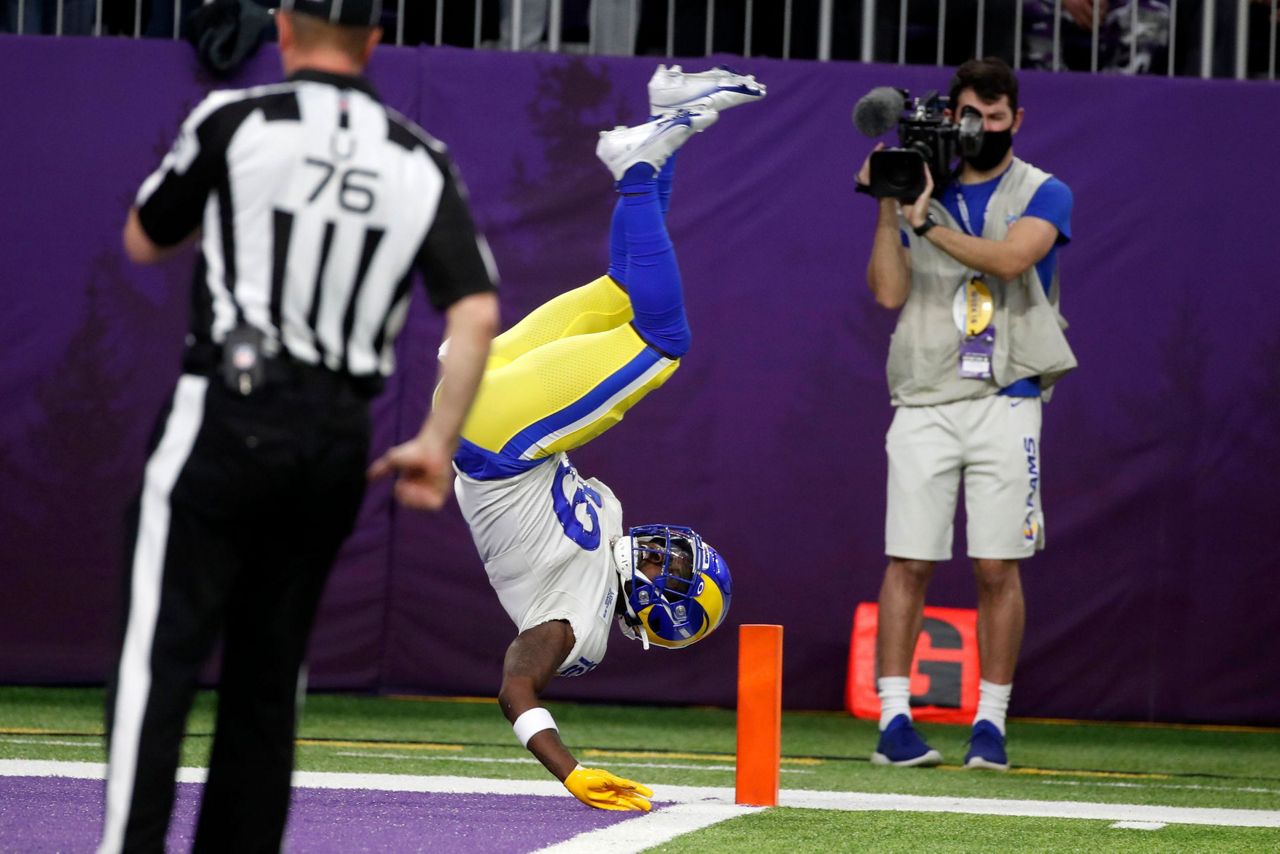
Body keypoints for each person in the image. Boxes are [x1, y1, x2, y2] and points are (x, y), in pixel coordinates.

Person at [100, 0, 499, 849]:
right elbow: (475, 312)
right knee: (270, 674)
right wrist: (435, 440)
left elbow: (143, 239)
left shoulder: (234, 119)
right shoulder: (419, 157)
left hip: (228, 410)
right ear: (376, 40)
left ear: (283, 28)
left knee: (160, 655)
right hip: (334, 440)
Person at [398, 65, 765, 811]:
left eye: (671, 570)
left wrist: (566, 769)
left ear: (659, 612)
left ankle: (638, 163)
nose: (665, 553)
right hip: (493, 415)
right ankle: (666, 126)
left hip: (496, 437)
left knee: (663, 341)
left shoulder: (584, 622)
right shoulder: (603, 567)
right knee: (629, 292)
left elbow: (516, 684)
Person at [857, 57, 1076, 772]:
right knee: (908, 560)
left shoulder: (1045, 191)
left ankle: (991, 723)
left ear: (1015, 118)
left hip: (1007, 397)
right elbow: (888, 293)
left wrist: (930, 223)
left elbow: (1012, 261)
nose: (975, 126)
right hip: (925, 393)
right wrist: (892, 202)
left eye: (991, 113)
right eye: (965, 113)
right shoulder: (926, 185)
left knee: (995, 565)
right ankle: (894, 721)